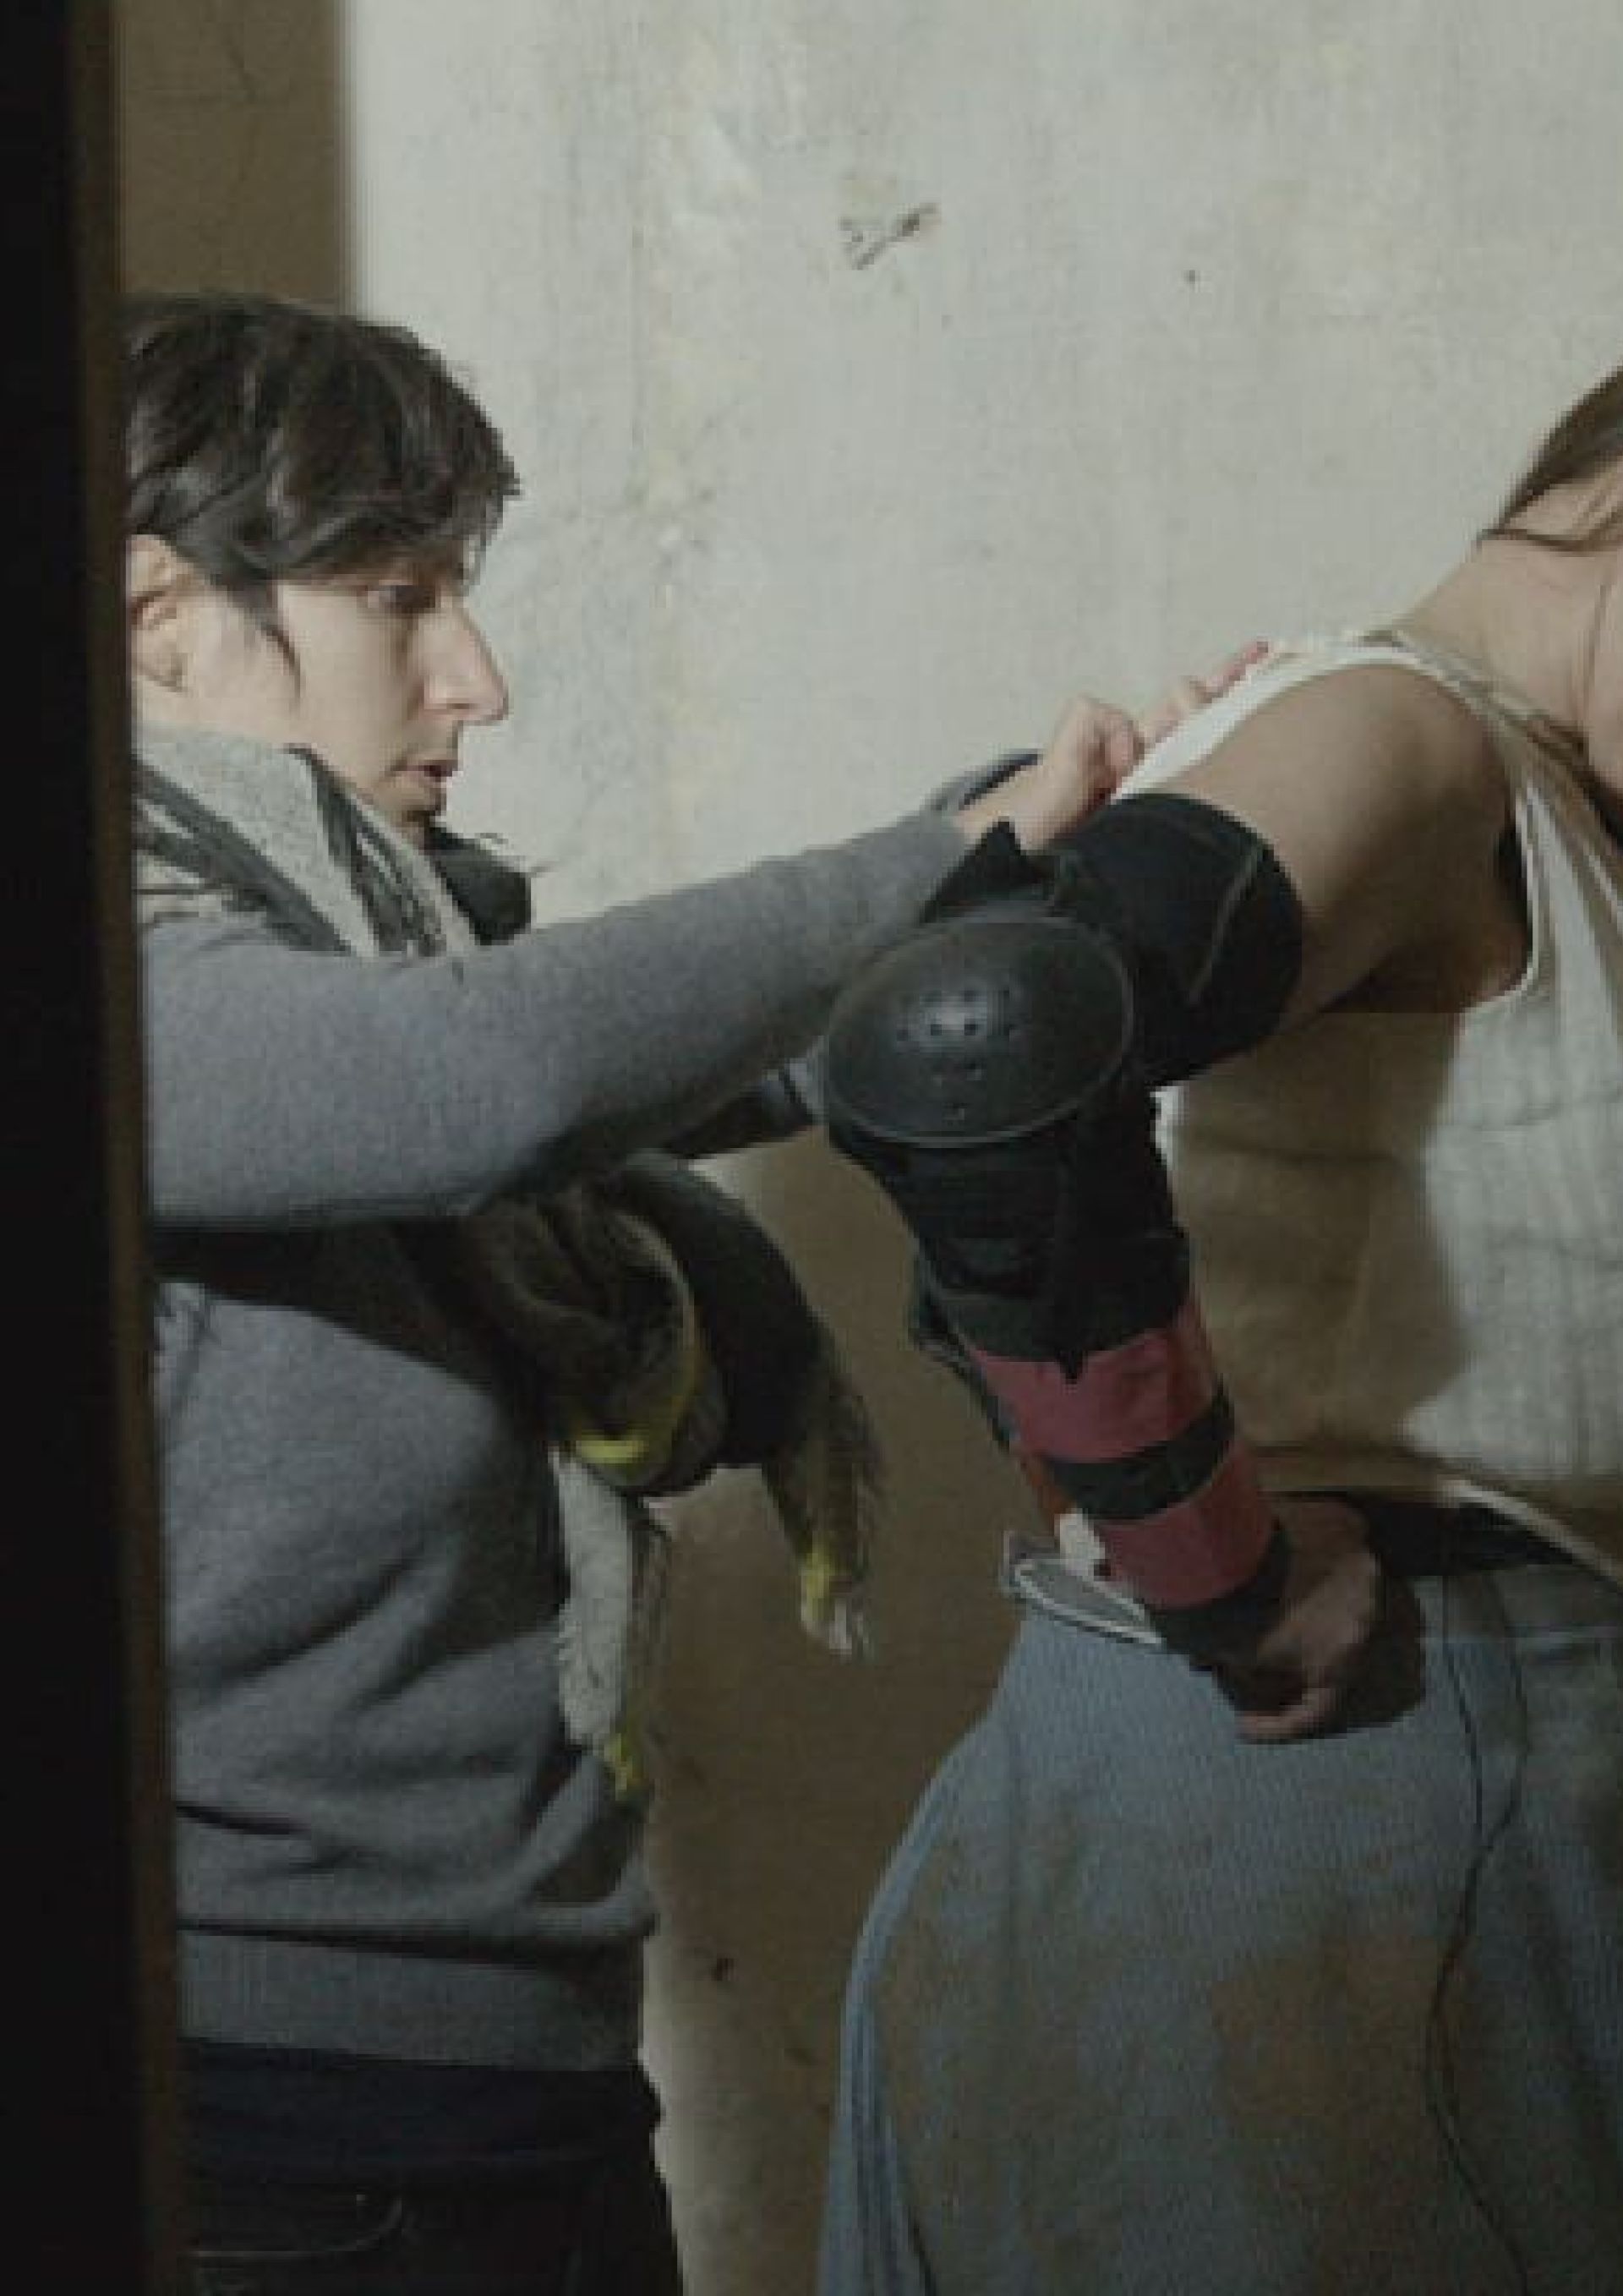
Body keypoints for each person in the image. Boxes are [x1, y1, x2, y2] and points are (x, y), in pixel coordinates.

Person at [128, 289, 1261, 2295]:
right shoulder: (96, 979)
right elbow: (490, 1078)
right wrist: (937, 856)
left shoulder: (352, 970)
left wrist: (1071, 837)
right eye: (400, 598)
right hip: (264, 2143)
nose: (474, 679)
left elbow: (744, 1052)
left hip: (532, 2092)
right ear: (158, 623)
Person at [815, 363, 1623, 2295]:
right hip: (1351, 1789)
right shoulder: (1400, 735)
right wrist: (1212, 1559)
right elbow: (976, 1045)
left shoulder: (1501, 779)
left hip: (1402, 1827)